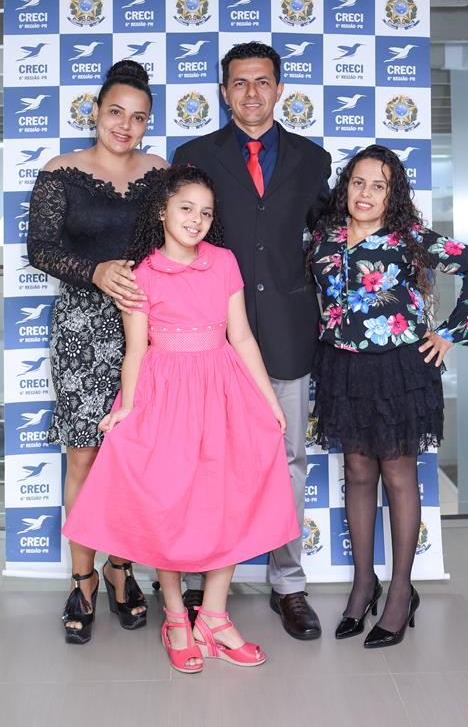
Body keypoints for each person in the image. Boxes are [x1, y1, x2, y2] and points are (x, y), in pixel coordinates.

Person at [62, 165, 300, 673]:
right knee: (167, 503)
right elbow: (135, 350)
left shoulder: (224, 262)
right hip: (165, 392)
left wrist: (269, 400)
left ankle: (214, 616)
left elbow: (241, 335)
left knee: (230, 497)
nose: (196, 220)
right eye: (186, 208)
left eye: (205, 213)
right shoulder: (142, 274)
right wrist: (127, 408)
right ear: (162, 211)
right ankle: (175, 617)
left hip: (223, 387)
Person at [172, 42, 332, 641]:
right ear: (224, 92)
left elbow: (328, 243)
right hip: (211, 337)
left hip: (288, 333)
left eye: (262, 81)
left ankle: (287, 584)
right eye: (239, 83)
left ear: (279, 88)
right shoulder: (194, 156)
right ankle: (197, 580)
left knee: (287, 460)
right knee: (203, 460)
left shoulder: (313, 160)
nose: (251, 92)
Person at [310, 144, 468, 648]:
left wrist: (450, 332)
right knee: (357, 472)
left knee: (397, 474)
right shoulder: (325, 237)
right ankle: (363, 585)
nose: (366, 193)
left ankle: (399, 591)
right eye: (358, 182)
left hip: (399, 368)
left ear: (392, 195)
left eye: (379, 186)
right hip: (342, 367)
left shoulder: (410, 237)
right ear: (345, 186)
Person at [27, 60, 169, 644]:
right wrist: (96, 271)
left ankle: (120, 568)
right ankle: (82, 579)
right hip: (82, 330)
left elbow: (181, 239)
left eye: (138, 117)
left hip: (151, 329)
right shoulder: (60, 171)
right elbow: (39, 248)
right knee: (84, 458)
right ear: (95, 111)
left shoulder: (161, 173)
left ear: (147, 123)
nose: (125, 125)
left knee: (134, 459)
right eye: (115, 112)